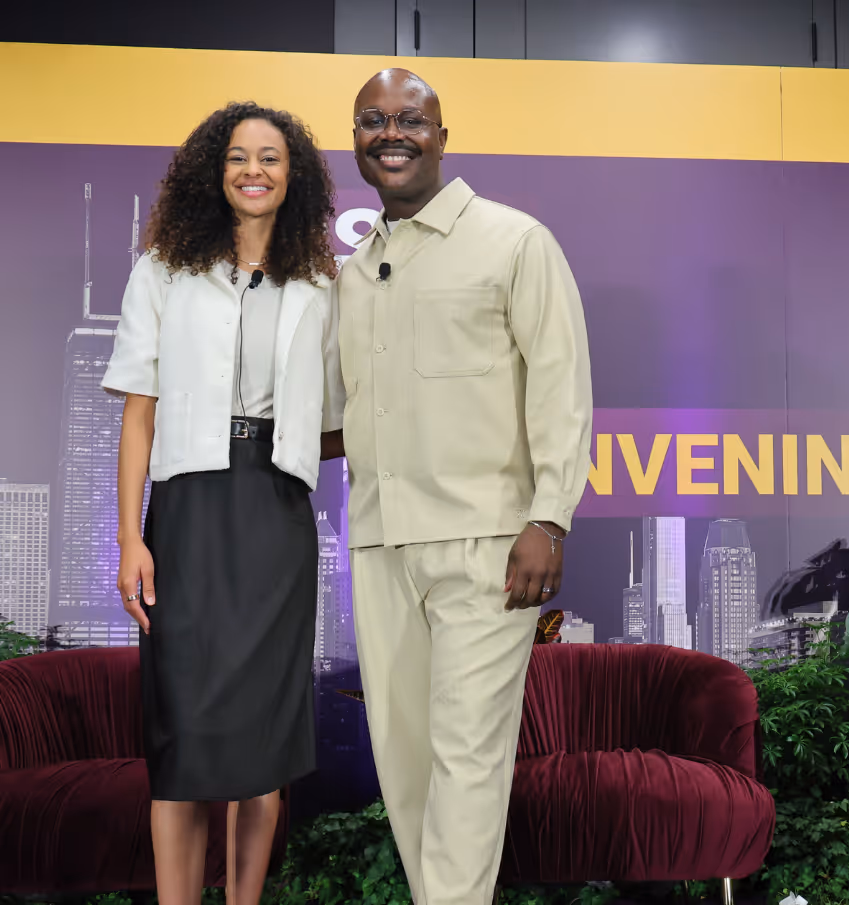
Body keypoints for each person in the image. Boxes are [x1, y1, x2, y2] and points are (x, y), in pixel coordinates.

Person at [335, 68, 593, 905]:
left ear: (443, 135)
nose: (392, 132)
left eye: (412, 118)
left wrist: (548, 519)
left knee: (469, 757)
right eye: (373, 120)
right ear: (357, 140)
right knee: (405, 763)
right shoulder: (352, 272)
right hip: (379, 542)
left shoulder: (515, 241)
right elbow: (350, 416)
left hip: (488, 543)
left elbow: (562, 387)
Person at [103, 102, 345, 905]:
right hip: (186, 512)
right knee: (183, 740)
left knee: (262, 743)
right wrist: (129, 538)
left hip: (275, 513)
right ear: (216, 170)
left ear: (293, 176)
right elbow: (139, 411)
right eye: (239, 156)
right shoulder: (162, 269)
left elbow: (340, 416)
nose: (253, 170)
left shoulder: (318, 282)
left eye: (270, 158)